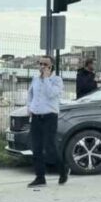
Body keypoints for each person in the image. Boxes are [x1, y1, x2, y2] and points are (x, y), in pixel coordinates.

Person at [28, 57, 67, 187]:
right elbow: (31, 94)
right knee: (36, 148)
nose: (43, 66)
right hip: (36, 117)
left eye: (46, 64)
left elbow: (51, 94)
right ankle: (40, 177)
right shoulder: (35, 79)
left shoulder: (57, 80)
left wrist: (46, 78)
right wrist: (30, 108)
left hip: (50, 116)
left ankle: (63, 170)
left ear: (51, 66)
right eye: (41, 64)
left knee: (50, 147)